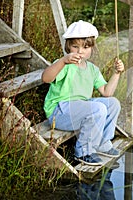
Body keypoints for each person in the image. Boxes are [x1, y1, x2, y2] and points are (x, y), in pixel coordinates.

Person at [42, 20, 124, 166]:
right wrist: (62, 61)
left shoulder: (92, 69)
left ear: (92, 48)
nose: (80, 51)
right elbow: (46, 78)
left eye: (85, 47)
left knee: (113, 103)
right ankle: (83, 151)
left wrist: (117, 73)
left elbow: (106, 92)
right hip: (59, 112)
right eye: (75, 46)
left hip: (79, 108)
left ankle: (102, 143)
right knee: (97, 108)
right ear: (68, 47)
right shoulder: (65, 65)